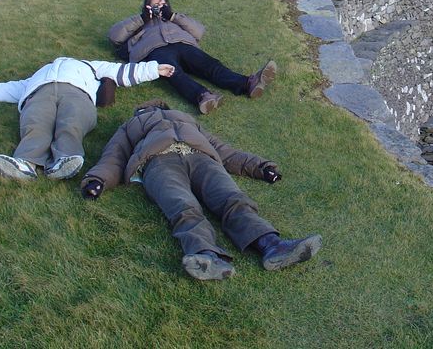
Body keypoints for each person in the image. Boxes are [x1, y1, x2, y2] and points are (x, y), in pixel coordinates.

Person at [80, 99, 323, 281]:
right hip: (158, 162)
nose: (150, 108)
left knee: (232, 198)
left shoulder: (187, 120)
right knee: (182, 205)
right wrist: (97, 179)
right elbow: (114, 156)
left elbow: (223, 150)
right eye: (145, 109)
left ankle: (272, 245)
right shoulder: (131, 126)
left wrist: (260, 167)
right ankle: (205, 255)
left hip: (201, 157)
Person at [0, 57, 175, 181]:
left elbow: (123, 71)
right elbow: (7, 89)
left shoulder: (91, 67)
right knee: (35, 122)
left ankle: (65, 159)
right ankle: (25, 163)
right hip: (40, 94)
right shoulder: (37, 76)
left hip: (77, 94)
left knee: (72, 122)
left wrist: (155, 69)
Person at [108, 0, 276, 115]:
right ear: (147, 7)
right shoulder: (140, 23)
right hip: (155, 49)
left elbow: (198, 31)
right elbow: (114, 36)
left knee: (210, 65)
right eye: (155, 5)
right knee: (172, 71)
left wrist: (173, 16)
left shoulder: (174, 18)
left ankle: (248, 83)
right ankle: (203, 96)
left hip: (183, 45)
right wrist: (143, 18)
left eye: (162, 4)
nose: (159, 7)